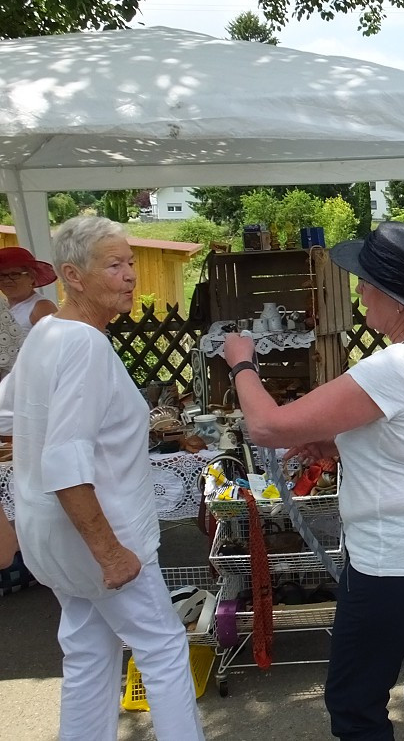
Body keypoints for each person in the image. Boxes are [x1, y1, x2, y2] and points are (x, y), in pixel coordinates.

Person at [223, 221, 404, 741]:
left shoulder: (397, 366)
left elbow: (268, 426)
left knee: (353, 703)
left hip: (396, 565)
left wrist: (242, 363)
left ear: (398, 299)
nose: (359, 291)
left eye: (366, 283)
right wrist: (343, 442)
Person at [0, 216, 204, 740]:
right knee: (162, 647)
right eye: (114, 266)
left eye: (130, 263)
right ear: (73, 275)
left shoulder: (46, 333)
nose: (131, 276)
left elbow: (9, 412)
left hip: (51, 538)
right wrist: (110, 552)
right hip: (100, 537)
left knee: (89, 652)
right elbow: (66, 462)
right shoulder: (83, 344)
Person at [0, 246, 59, 334]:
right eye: (2, 275)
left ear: (31, 277)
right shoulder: (4, 306)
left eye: (14, 274)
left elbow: (57, 343)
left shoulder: (41, 307)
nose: (7, 280)